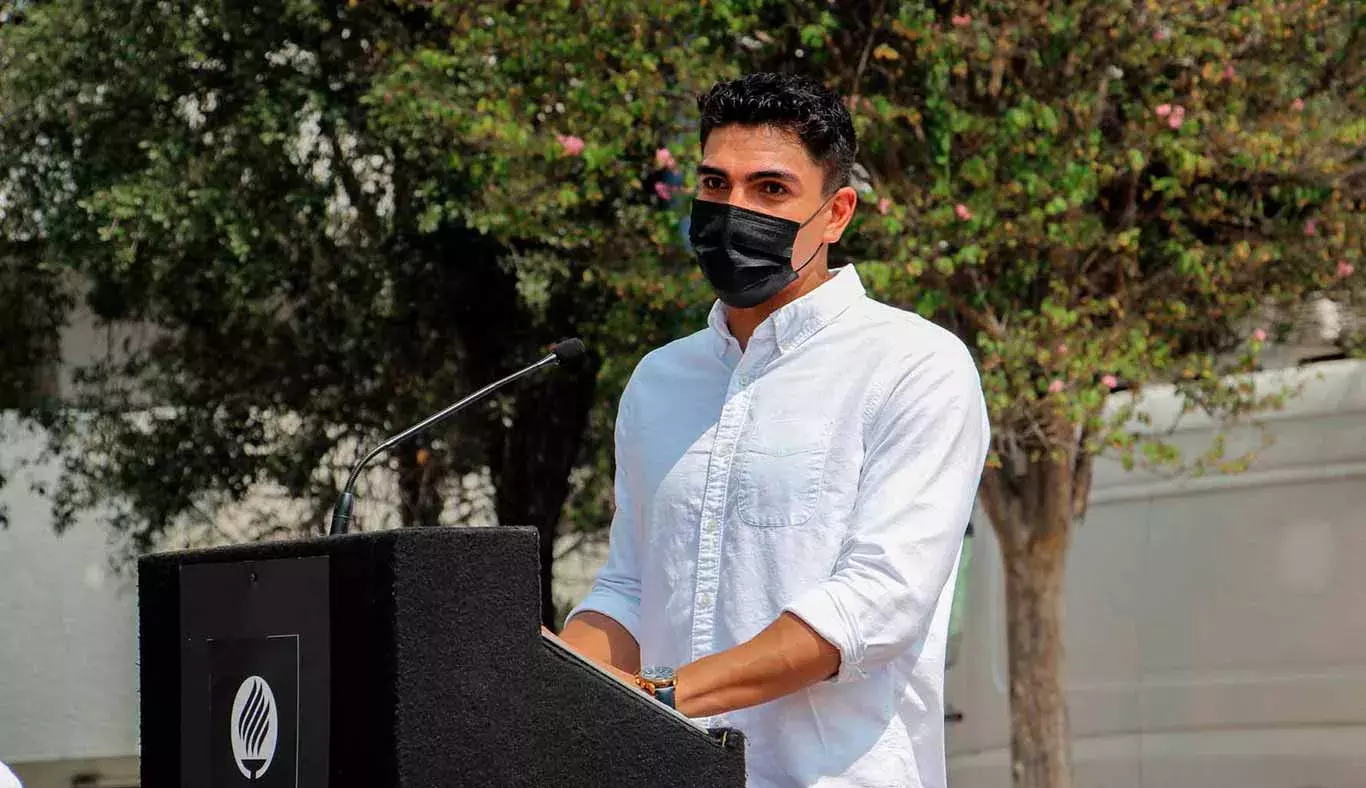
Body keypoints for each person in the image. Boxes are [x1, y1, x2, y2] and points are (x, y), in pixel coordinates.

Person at [558, 72, 990, 788]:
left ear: (837, 212)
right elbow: (633, 587)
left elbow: (873, 605)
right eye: (714, 184)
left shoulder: (915, 366)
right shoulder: (660, 382)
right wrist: (553, 679)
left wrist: (665, 696)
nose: (734, 211)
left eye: (770, 190)